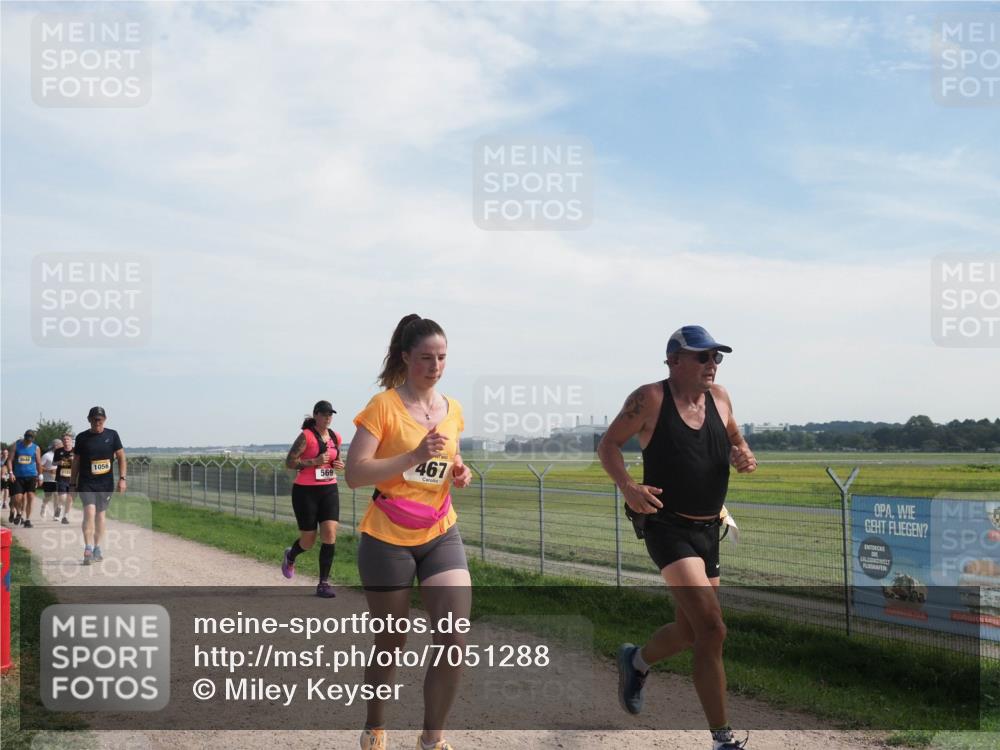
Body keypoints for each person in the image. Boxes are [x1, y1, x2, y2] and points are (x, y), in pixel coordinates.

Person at [597, 325, 757, 750]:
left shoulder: (720, 399)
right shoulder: (650, 398)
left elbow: (735, 437)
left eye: (716, 357)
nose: (712, 365)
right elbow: (608, 445)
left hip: (709, 530)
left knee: (691, 632)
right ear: (674, 360)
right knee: (713, 628)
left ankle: (637, 660)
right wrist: (630, 487)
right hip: (666, 526)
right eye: (702, 357)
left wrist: (743, 452)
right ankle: (722, 738)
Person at [345, 314, 472, 750]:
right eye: (425, 358)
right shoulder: (383, 407)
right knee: (391, 640)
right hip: (387, 538)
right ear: (405, 357)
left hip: (440, 531)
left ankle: (432, 739)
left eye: (441, 357)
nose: (435, 366)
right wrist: (415, 453)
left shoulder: (453, 409)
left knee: (454, 635)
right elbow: (356, 474)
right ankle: (375, 726)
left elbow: (445, 461)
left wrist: (459, 470)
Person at [281, 400, 345, 598]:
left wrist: (338, 464)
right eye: (324, 414)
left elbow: (335, 457)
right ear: (316, 415)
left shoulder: (335, 436)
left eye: (330, 414)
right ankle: (291, 555)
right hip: (305, 492)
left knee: (330, 533)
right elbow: (289, 462)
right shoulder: (306, 436)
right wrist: (313, 462)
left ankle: (323, 583)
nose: (328, 417)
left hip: (329, 489)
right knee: (308, 541)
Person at [71, 406, 126, 565]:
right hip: (87, 482)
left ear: (104, 419)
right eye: (94, 418)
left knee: (100, 515)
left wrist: (122, 479)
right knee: (89, 511)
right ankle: (88, 547)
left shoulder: (112, 435)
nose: (97, 421)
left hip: (105, 483)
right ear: (89, 419)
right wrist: (72, 484)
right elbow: (76, 461)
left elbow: (122, 457)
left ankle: (97, 547)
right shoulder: (81, 437)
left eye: (100, 418)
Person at [7, 430, 42, 528]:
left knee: (30, 497)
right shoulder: (16, 446)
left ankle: (28, 519)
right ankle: (18, 513)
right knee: (18, 498)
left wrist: (40, 476)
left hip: (31, 476)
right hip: (18, 476)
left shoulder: (36, 448)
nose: (28, 440)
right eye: (27, 438)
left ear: (33, 439)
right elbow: (10, 460)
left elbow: (39, 463)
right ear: (24, 437)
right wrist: (10, 472)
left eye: (30, 439)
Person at [54, 434, 75, 524]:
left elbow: (81, 462)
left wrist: (73, 460)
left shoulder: (76, 450)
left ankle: (65, 516)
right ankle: (59, 506)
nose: (66, 441)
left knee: (70, 498)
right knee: (63, 498)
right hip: (61, 477)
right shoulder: (58, 451)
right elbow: (54, 463)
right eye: (64, 439)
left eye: (68, 439)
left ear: (71, 440)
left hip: (72, 478)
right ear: (62, 441)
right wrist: (60, 462)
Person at [39, 439, 61, 520]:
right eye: (60, 445)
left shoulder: (61, 455)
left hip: (59, 479)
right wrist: (49, 470)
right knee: (48, 497)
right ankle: (44, 506)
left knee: (57, 496)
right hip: (48, 479)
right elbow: (39, 466)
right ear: (55, 446)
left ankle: (56, 515)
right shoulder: (47, 455)